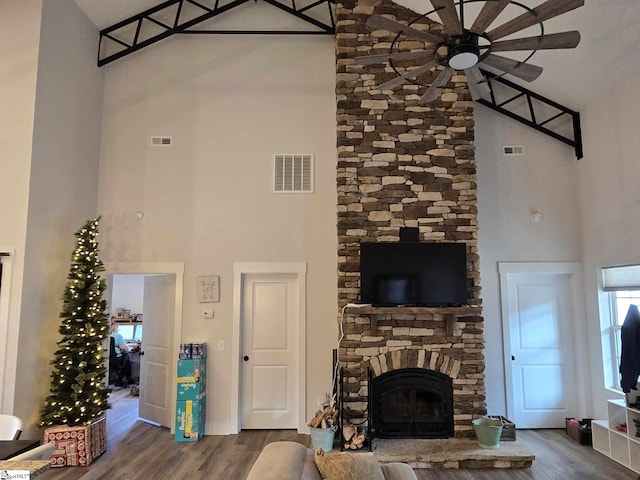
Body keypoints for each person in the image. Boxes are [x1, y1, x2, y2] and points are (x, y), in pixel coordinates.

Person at [111, 321, 134, 386]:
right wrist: (130, 348)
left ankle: (120, 378)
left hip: (111, 358)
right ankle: (128, 378)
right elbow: (123, 348)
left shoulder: (108, 336)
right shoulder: (118, 336)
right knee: (127, 358)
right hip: (118, 358)